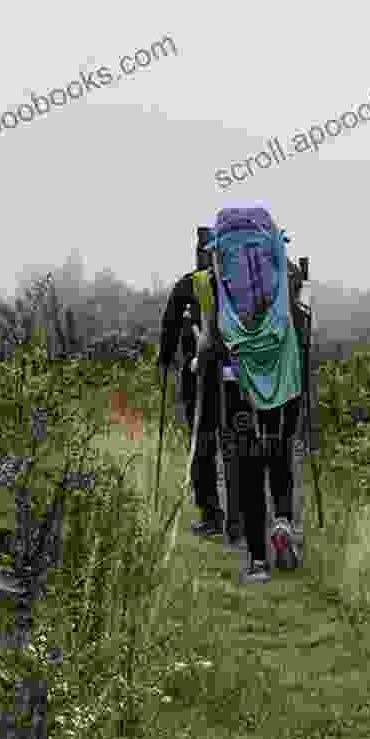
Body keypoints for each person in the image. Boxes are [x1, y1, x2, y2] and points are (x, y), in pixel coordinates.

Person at [193, 206, 307, 584]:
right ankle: (284, 520)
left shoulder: (211, 281)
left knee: (247, 467)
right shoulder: (286, 274)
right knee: (280, 454)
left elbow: (210, 342)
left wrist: (199, 356)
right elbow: (301, 327)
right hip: (284, 382)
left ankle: (258, 561)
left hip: (237, 383)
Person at [158, 228, 245, 543]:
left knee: (204, 446)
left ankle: (213, 516)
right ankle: (236, 519)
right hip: (238, 379)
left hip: (202, 377)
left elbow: (169, 325)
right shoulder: (240, 287)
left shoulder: (190, 284)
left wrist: (165, 361)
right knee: (234, 445)